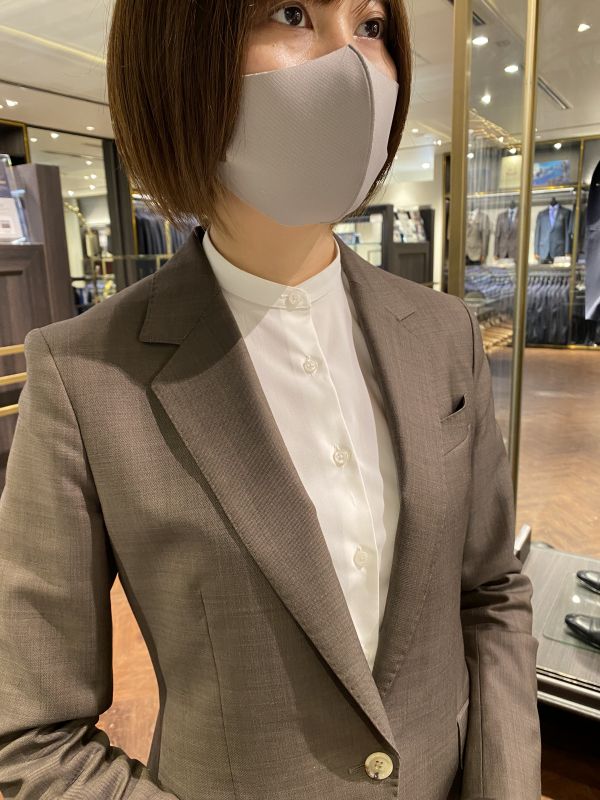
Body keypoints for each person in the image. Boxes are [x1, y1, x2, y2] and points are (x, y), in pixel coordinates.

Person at [0, 1, 542, 798]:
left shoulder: (442, 331)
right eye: (293, 13)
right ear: (182, 56)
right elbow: (28, 734)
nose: (352, 64)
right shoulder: (87, 374)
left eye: (370, 25)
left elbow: (491, 594)